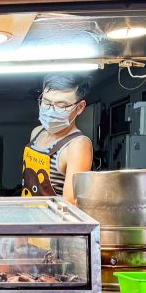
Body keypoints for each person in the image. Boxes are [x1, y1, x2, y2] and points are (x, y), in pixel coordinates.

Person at [22, 73, 94, 205]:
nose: (50, 110)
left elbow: (70, 204)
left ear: (80, 107)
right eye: (46, 102)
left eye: (61, 105)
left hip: (52, 223)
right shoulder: (37, 133)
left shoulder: (77, 145)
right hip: (28, 215)